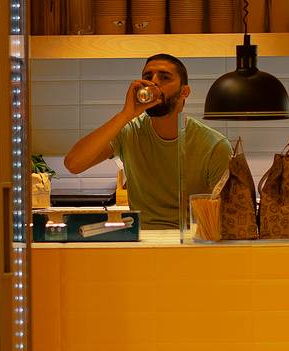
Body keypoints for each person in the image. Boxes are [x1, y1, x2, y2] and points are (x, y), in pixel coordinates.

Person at [63, 53, 232, 229]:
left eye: (164, 77)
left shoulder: (214, 145)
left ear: (184, 92)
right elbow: (74, 164)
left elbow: (227, 215)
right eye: (148, 77)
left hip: (191, 237)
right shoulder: (129, 131)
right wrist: (125, 115)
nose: (153, 82)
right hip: (142, 237)